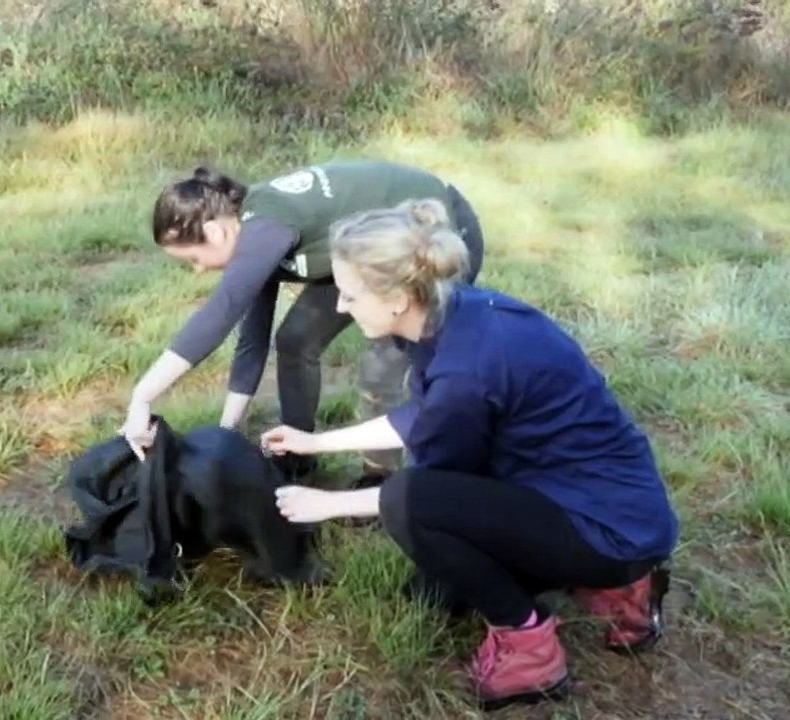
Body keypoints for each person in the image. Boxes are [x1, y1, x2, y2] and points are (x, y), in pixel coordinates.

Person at [258, 198, 680, 710]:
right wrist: (316, 442)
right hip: (603, 499)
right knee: (436, 594)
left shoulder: (466, 369)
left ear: (394, 298)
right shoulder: (454, 314)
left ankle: (532, 648)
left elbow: (422, 496)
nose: (341, 307)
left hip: (612, 530)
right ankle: (614, 585)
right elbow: (427, 416)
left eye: (348, 294)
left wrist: (327, 503)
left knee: (405, 503)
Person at [121, 159, 486, 485]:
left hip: (432, 232)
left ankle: (381, 478)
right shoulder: (253, 240)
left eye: (194, 259)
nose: (198, 270)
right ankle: (298, 452)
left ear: (216, 232)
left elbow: (223, 310)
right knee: (296, 339)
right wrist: (225, 434)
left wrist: (142, 397)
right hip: (360, 255)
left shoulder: (267, 227)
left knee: (385, 361)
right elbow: (252, 340)